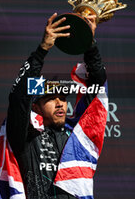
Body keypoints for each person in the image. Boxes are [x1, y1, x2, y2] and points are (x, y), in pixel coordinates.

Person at [6, 12, 107, 199]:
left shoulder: (76, 134)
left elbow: (97, 86)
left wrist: (89, 43)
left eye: (63, 97)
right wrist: (42, 50)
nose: (60, 103)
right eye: (50, 99)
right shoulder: (25, 137)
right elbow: (19, 98)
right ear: (35, 108)